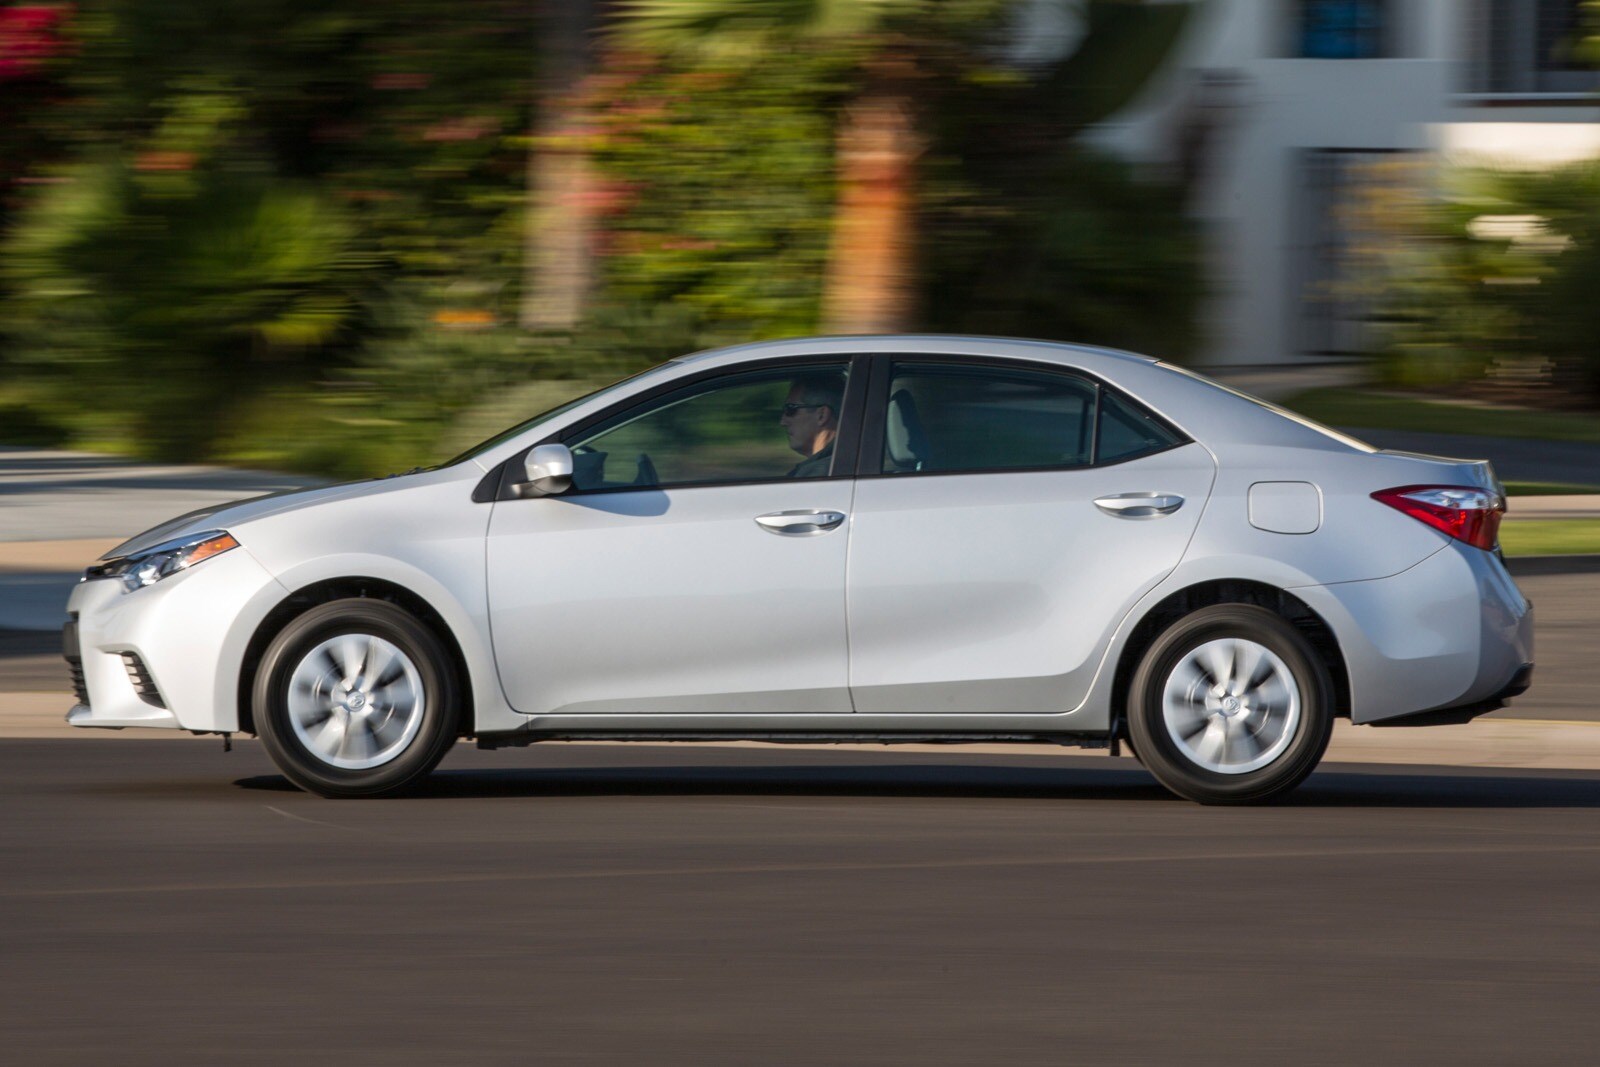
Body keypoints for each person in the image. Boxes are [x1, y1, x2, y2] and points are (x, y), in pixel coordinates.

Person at [780, 372, 845, 478]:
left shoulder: (821, 473)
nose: (783, 422)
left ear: (822, 415)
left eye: (790, 409)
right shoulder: (839, 465)